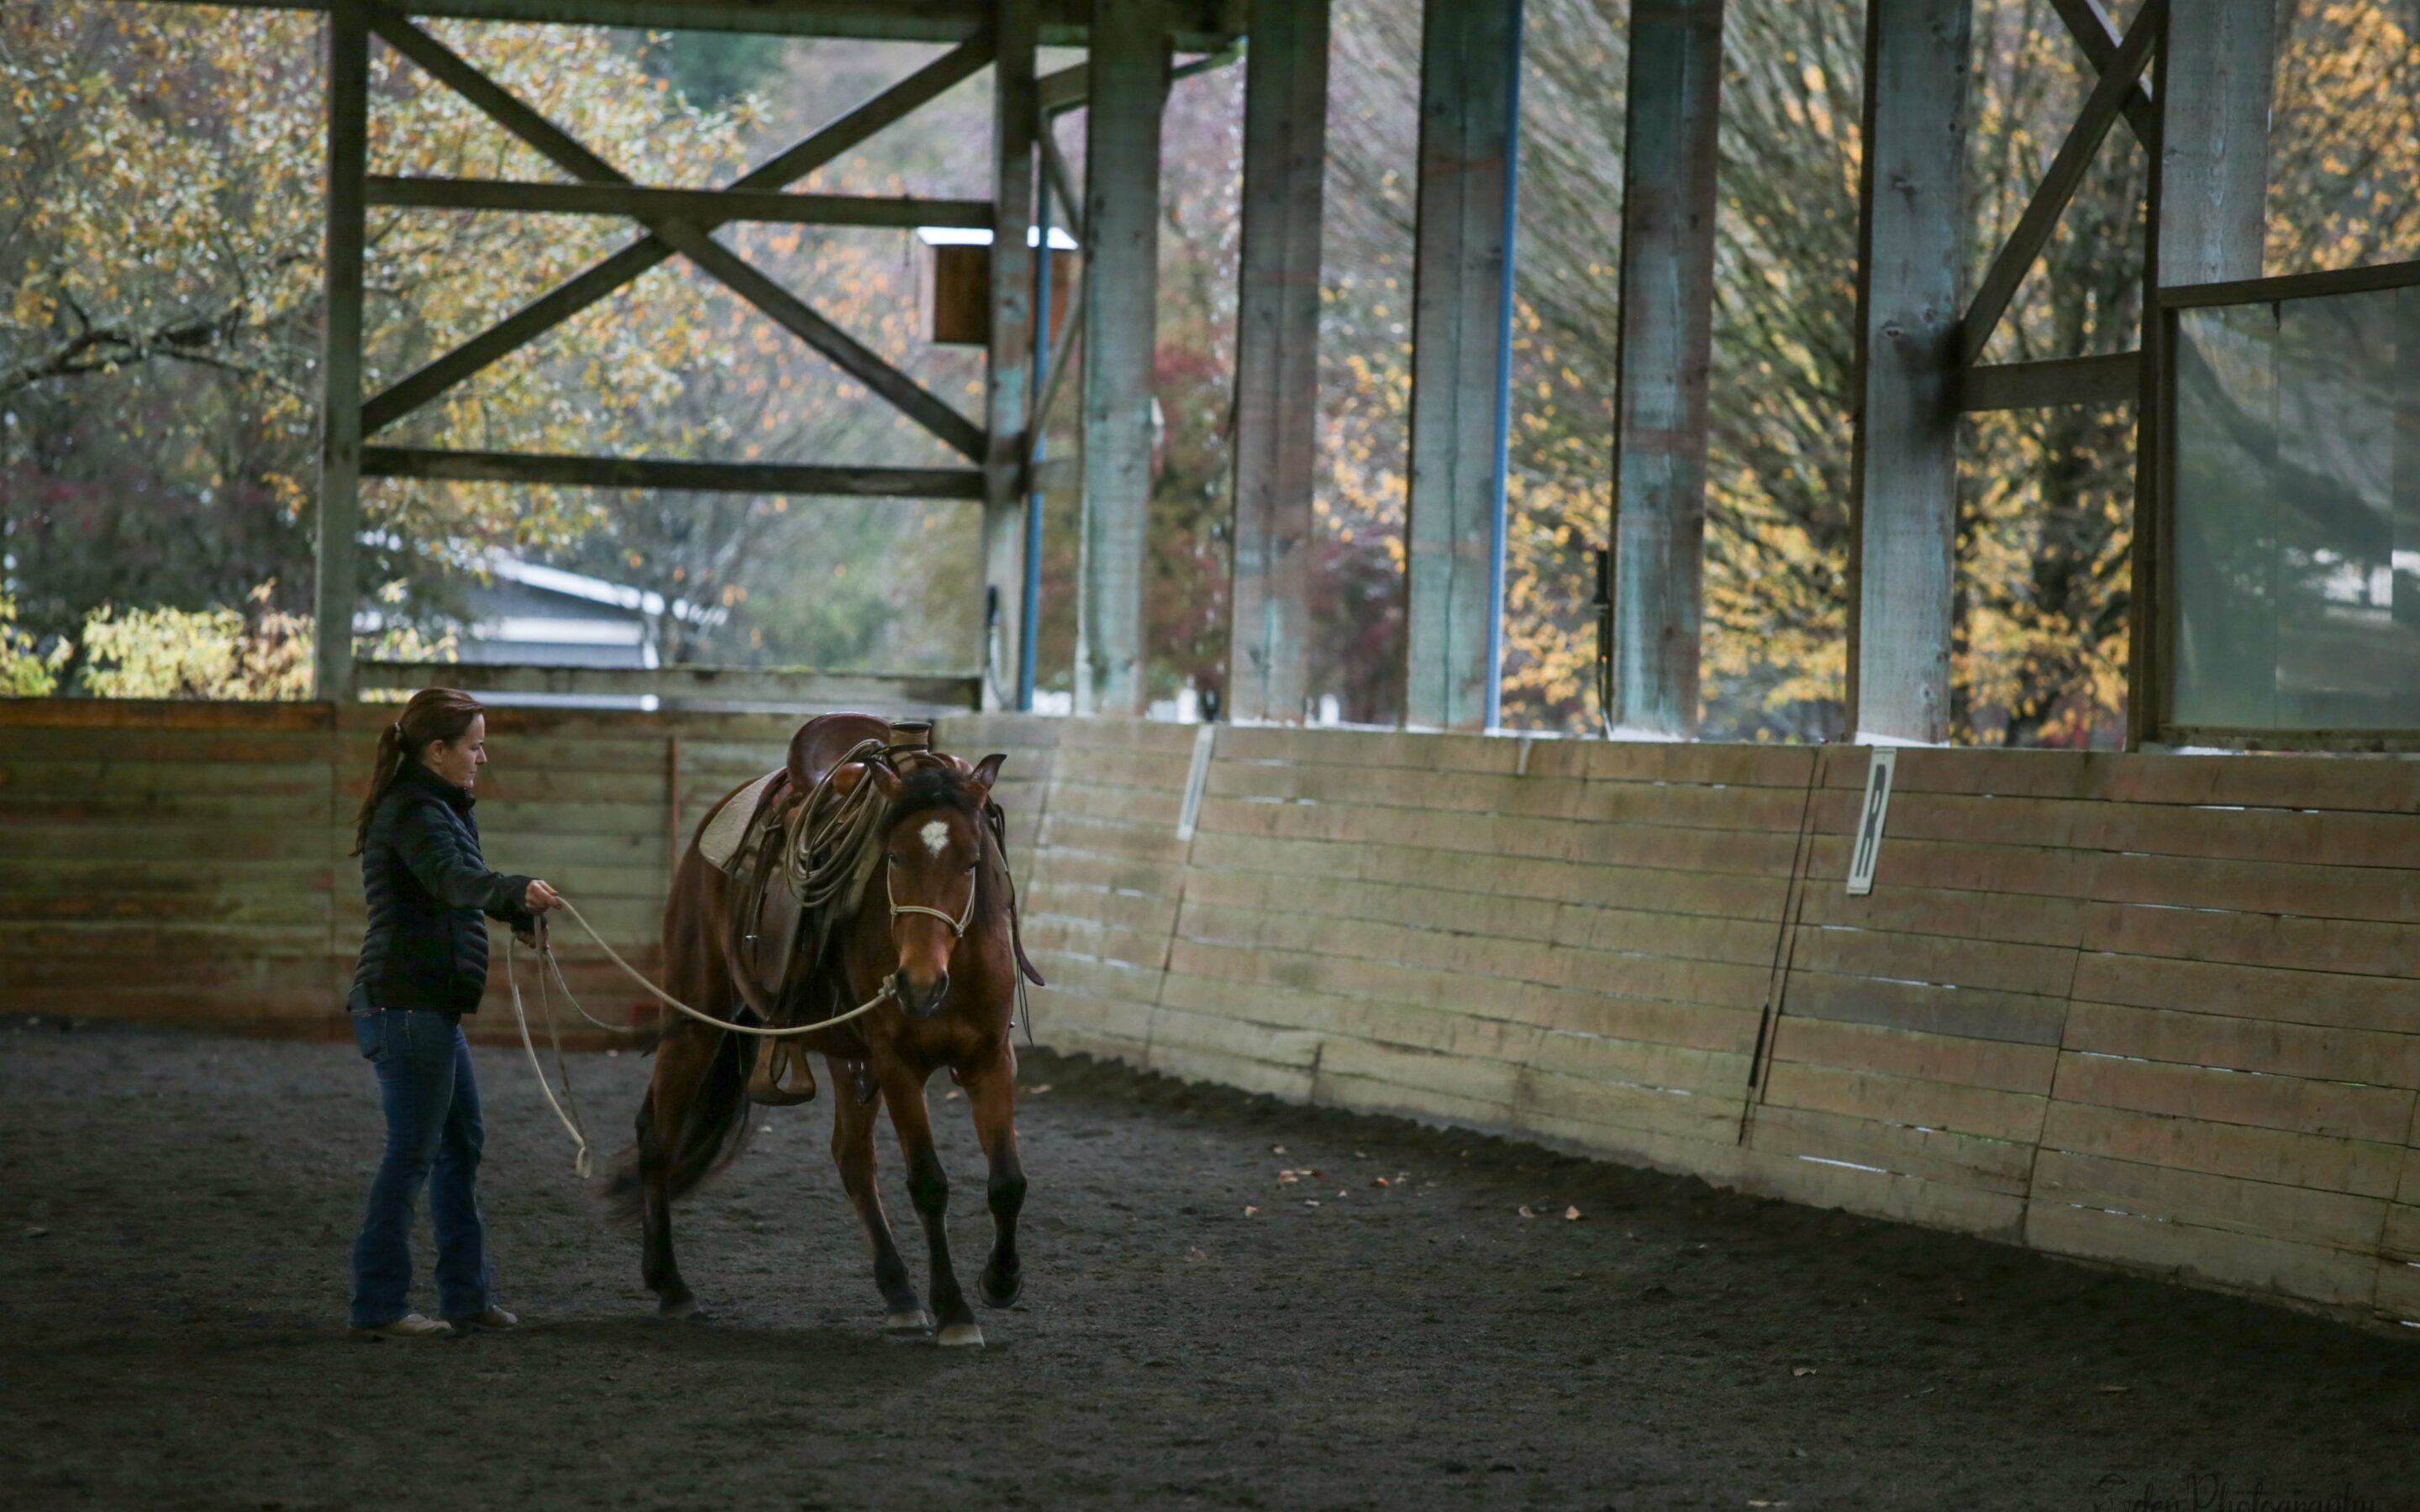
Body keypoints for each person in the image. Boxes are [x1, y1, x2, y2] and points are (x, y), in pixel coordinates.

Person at [344, 688, 561, 1341]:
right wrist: (512, 891)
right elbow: (450, 880)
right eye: (474, 745)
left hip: (425, 1007)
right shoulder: (415, 811)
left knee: (457, 1147)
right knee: (413, 1154)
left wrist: (513, 909)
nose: (483, 757)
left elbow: (459, 879)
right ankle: (379, 1306)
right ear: (437, 752)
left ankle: (466, 1298)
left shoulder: (435, 806)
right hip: (407, 1007)